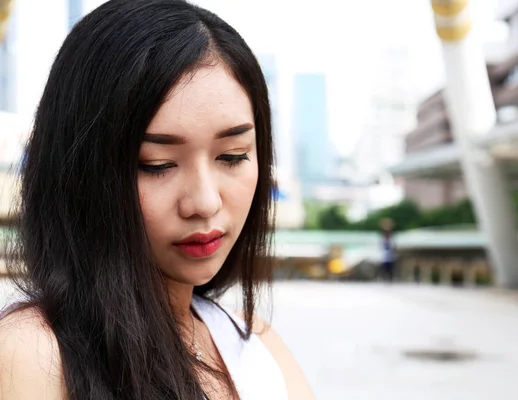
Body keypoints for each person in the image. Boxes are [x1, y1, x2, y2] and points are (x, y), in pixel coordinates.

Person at [0, 1, 314, 399]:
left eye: (232, 156)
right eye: (157, 164)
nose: (203, 201)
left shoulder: (256, 347)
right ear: (81, 173)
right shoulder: (34, 354)